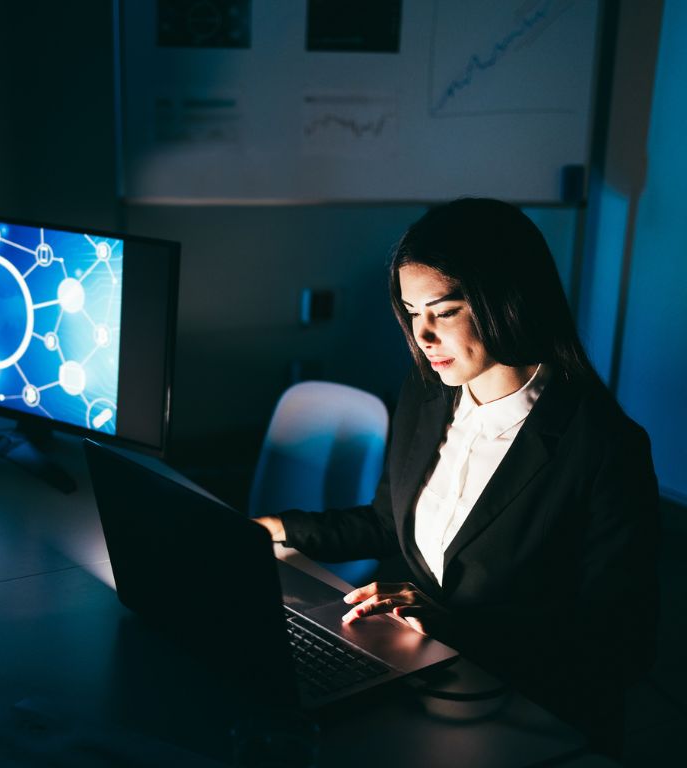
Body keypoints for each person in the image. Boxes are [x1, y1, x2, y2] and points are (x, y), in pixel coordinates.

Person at [254, 198, 659, 757]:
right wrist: (276, 528)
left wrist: (454, 626)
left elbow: (621, 644)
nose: (422, 335)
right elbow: (385, 521)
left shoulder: (603, 448)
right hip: (431, 677)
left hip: (527, 709)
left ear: (506, 302)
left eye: (443, 311)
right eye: (409, 310)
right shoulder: (426, 393)